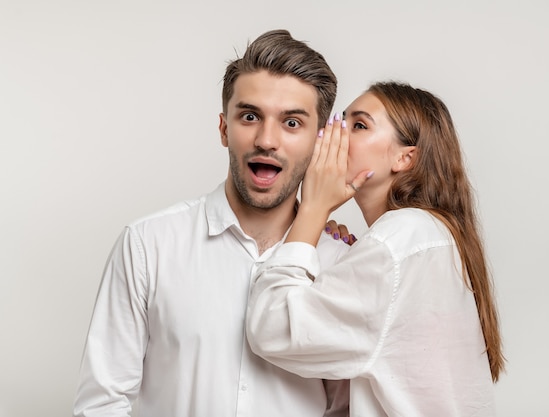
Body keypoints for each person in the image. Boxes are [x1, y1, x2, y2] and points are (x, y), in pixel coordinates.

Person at [73, 29, 351, 417]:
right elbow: (101, 403)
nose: (267, 140)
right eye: (250, 116)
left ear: (319, 142)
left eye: (291, 123)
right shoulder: (147, 245)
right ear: (224, 129)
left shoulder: (343, 264)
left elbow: (347, 407)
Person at [246, 81, 505, 416]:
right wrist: (341, 263)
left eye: (358, 125)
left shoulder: (399, 239)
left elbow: (272, 328)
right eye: (338, 122)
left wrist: (311, 211)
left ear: (404, 157)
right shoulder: (419, 236)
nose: (332, 135)